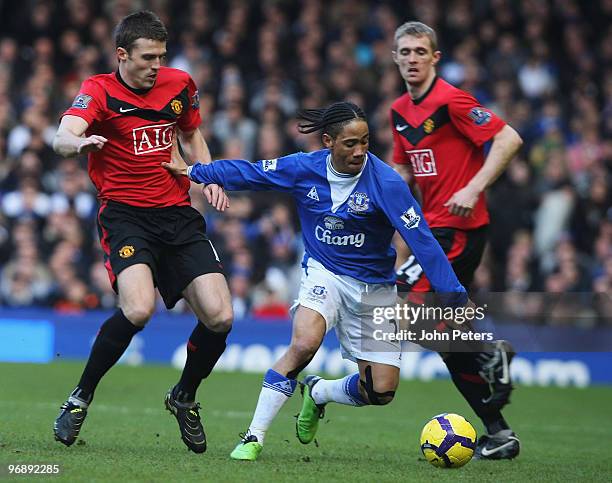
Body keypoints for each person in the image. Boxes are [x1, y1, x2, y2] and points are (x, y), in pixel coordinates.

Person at [163, 101, 471, 461]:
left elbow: (423, 242)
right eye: (350, 144)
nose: (359, 151)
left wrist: (454, 296)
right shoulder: (302, 167)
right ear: (328, 142)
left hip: (374, 288)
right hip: (324, 272)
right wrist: (197, 171)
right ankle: (253, 436)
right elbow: (251, 173)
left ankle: (320, 393)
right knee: (304, 343)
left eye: (365, 142)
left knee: (381, 391)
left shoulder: (387, 183)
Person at [52, 11, 233, 454]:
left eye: (161, 56)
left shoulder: (180, 84)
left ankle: (184, 396)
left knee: (220, 317)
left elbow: (191, 135)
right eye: (148, 57)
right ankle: (80, 397)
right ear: (122, 55)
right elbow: (61, 136)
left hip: (176, 213)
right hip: (126, 215)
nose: (156, 64)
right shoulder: (98, 91)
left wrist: (205, 175)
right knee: (137, 309)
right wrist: (81, 142)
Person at [390, 21, 523, 459]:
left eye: (419, 51)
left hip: (459, 229)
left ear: (434, 58)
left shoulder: (451, 100)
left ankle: (487, 350)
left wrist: (473, 187)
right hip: (430, 232)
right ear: (395, 57)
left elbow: (508, 138)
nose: (412, 58)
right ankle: (498, 432)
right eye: (404, 51)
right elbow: (405, 173)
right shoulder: (397, 113)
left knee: (402, 310)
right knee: (446, 343)